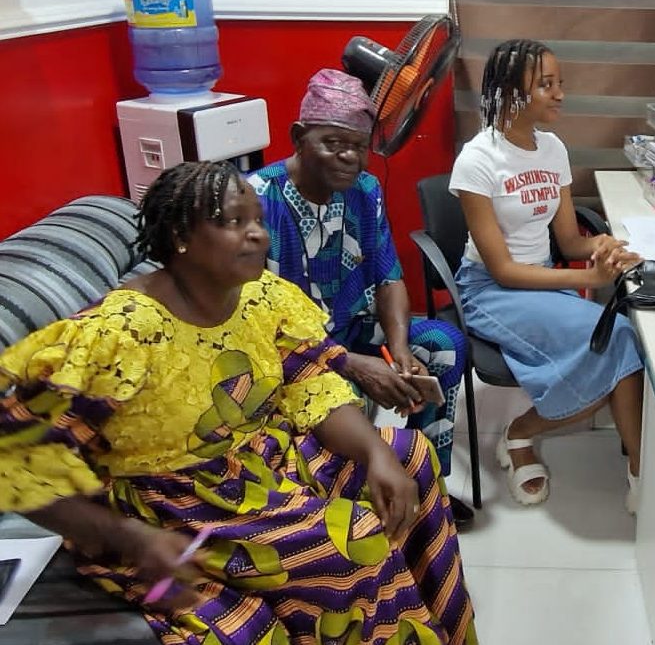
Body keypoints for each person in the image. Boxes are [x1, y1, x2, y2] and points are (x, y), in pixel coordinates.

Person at [0, 162, 476, 644]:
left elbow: (309, 381)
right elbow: (14, 455)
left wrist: (374, 452)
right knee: (351, 541)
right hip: (173, 506)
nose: (257, 235)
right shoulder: (119, 336)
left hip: (259, 460)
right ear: (181, 236)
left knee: (409, 458)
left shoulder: (260, 296)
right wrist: (132, 539)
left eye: (258, 221)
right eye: (233, 221)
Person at [248, 69, 474, 525]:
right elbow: (254, 321)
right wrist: (347, 363)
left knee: (444, 346)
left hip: (352, 326)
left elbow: (389, 277)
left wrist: (401, 350)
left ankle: (425, 480)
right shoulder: (257, 200)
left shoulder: (365, 190)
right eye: (333, 143)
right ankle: (354, 500)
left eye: (359, 145)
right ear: (299, 137)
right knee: (343, 392)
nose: (349, 157)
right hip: (289, 353)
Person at [449, 39, 645, 510]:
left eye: (560, 83)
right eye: (545, 85)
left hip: (538, 279)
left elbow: (570, 241)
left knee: (620, 342)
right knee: (616, 339)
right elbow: (503, 270)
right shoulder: (477, 160)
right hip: (489, 289)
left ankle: (527, 433)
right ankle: (636, 471)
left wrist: (602, 247)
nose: (559, 94)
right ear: (510, 93)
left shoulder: (552, 149)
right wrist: (588, 281)